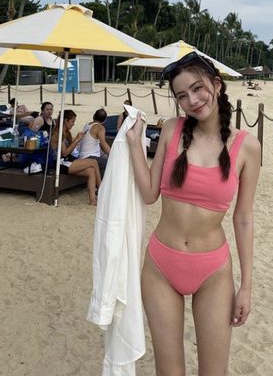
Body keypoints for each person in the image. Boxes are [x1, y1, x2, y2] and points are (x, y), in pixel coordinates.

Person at [126, 52, 261, 374]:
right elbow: (149, 194)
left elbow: (243, 218)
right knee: (169, 371)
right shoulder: (172, 129)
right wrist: (133, 144)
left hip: (213, 271)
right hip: (161, 266)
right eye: (182, 96)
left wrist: (246, 286)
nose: (192, 100)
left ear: (217, 84)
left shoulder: (247, 147)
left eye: (198, 88)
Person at [51, 109, 102, 206]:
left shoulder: (66, 132)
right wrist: (76, 140)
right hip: (59, 163)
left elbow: (70, 149)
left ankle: (92, 200)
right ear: (65, 121)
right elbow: (65, 153)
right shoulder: (59, 133)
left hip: (67, 160)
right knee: (94, 162)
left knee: (91, 170)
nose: (73, 124)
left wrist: (77, 140)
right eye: (72, 121)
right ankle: (101, 189)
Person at [79, 108, 111, 176]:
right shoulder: (100, 127)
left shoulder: (87, 124)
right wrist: (112, 154)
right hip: (89, 157)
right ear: (105, 120)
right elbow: (103, 144)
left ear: (94, 116)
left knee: (104, 159)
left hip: (82, 156)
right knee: (110, 163)